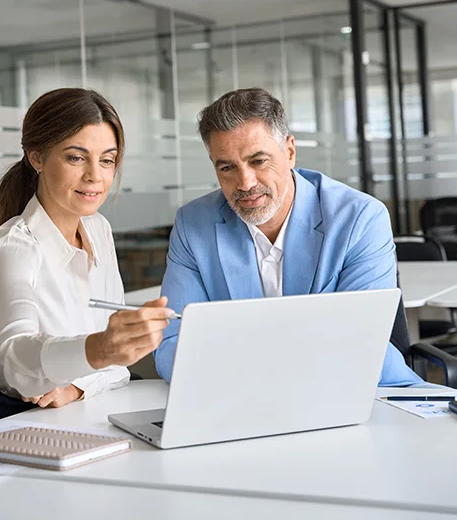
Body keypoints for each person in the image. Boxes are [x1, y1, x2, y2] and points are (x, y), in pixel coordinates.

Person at [0, 88, 173, 438]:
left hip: (60, 410)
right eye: (76, 158)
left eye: (107, 160)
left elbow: (118, 370)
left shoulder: (98, 228)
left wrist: (78, 386)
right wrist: (99, 351)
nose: (95, 177)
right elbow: (19, 361)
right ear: (37, 157)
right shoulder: (13, 248)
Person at [155, 87, 420, 386]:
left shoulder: (359, 218)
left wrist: (240, 365)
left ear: (290, 152)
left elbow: (359, 344)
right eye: (227, 167)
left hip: (361, 389)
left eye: (258, 161)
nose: (245, 183)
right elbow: (172, 345)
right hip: (239, 398)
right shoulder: (193, 224)